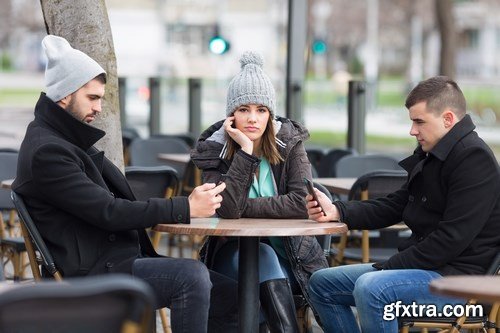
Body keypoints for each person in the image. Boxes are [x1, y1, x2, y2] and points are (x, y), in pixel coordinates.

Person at [12, 35, 238, 333]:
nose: (99, 107)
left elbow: (113, 204)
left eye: (101, 98)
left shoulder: (64, 138)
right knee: (191, 276)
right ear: (64, 95)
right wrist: (185, 205)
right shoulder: (48, 151)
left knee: (233, 294)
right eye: (92, 97)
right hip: (91, 274)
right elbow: (108, 211)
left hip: (111, 260)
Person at [305, 76, 500, 333]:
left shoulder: (474, 159)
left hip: (459, 284)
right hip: (427, 269)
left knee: (372, 288)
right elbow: (395, 205)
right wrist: (338, 210)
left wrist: (388, 267)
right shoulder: (436, 153)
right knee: (321, 283)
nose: (412, 131)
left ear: (448, 119)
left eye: (419, 121)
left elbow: (449, 240)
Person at [191, 51, 328, 333]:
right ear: (231, 115)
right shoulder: (214, 151)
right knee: (261, 257)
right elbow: (227, 210)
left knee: (266, 261)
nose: (252, 118)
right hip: (233, 258)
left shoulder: (290, 144)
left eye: (261, 110)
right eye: (244, 109)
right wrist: (244, 151)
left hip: (295, 260)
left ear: (270, 114)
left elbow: (301, 204)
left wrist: (243, 207)